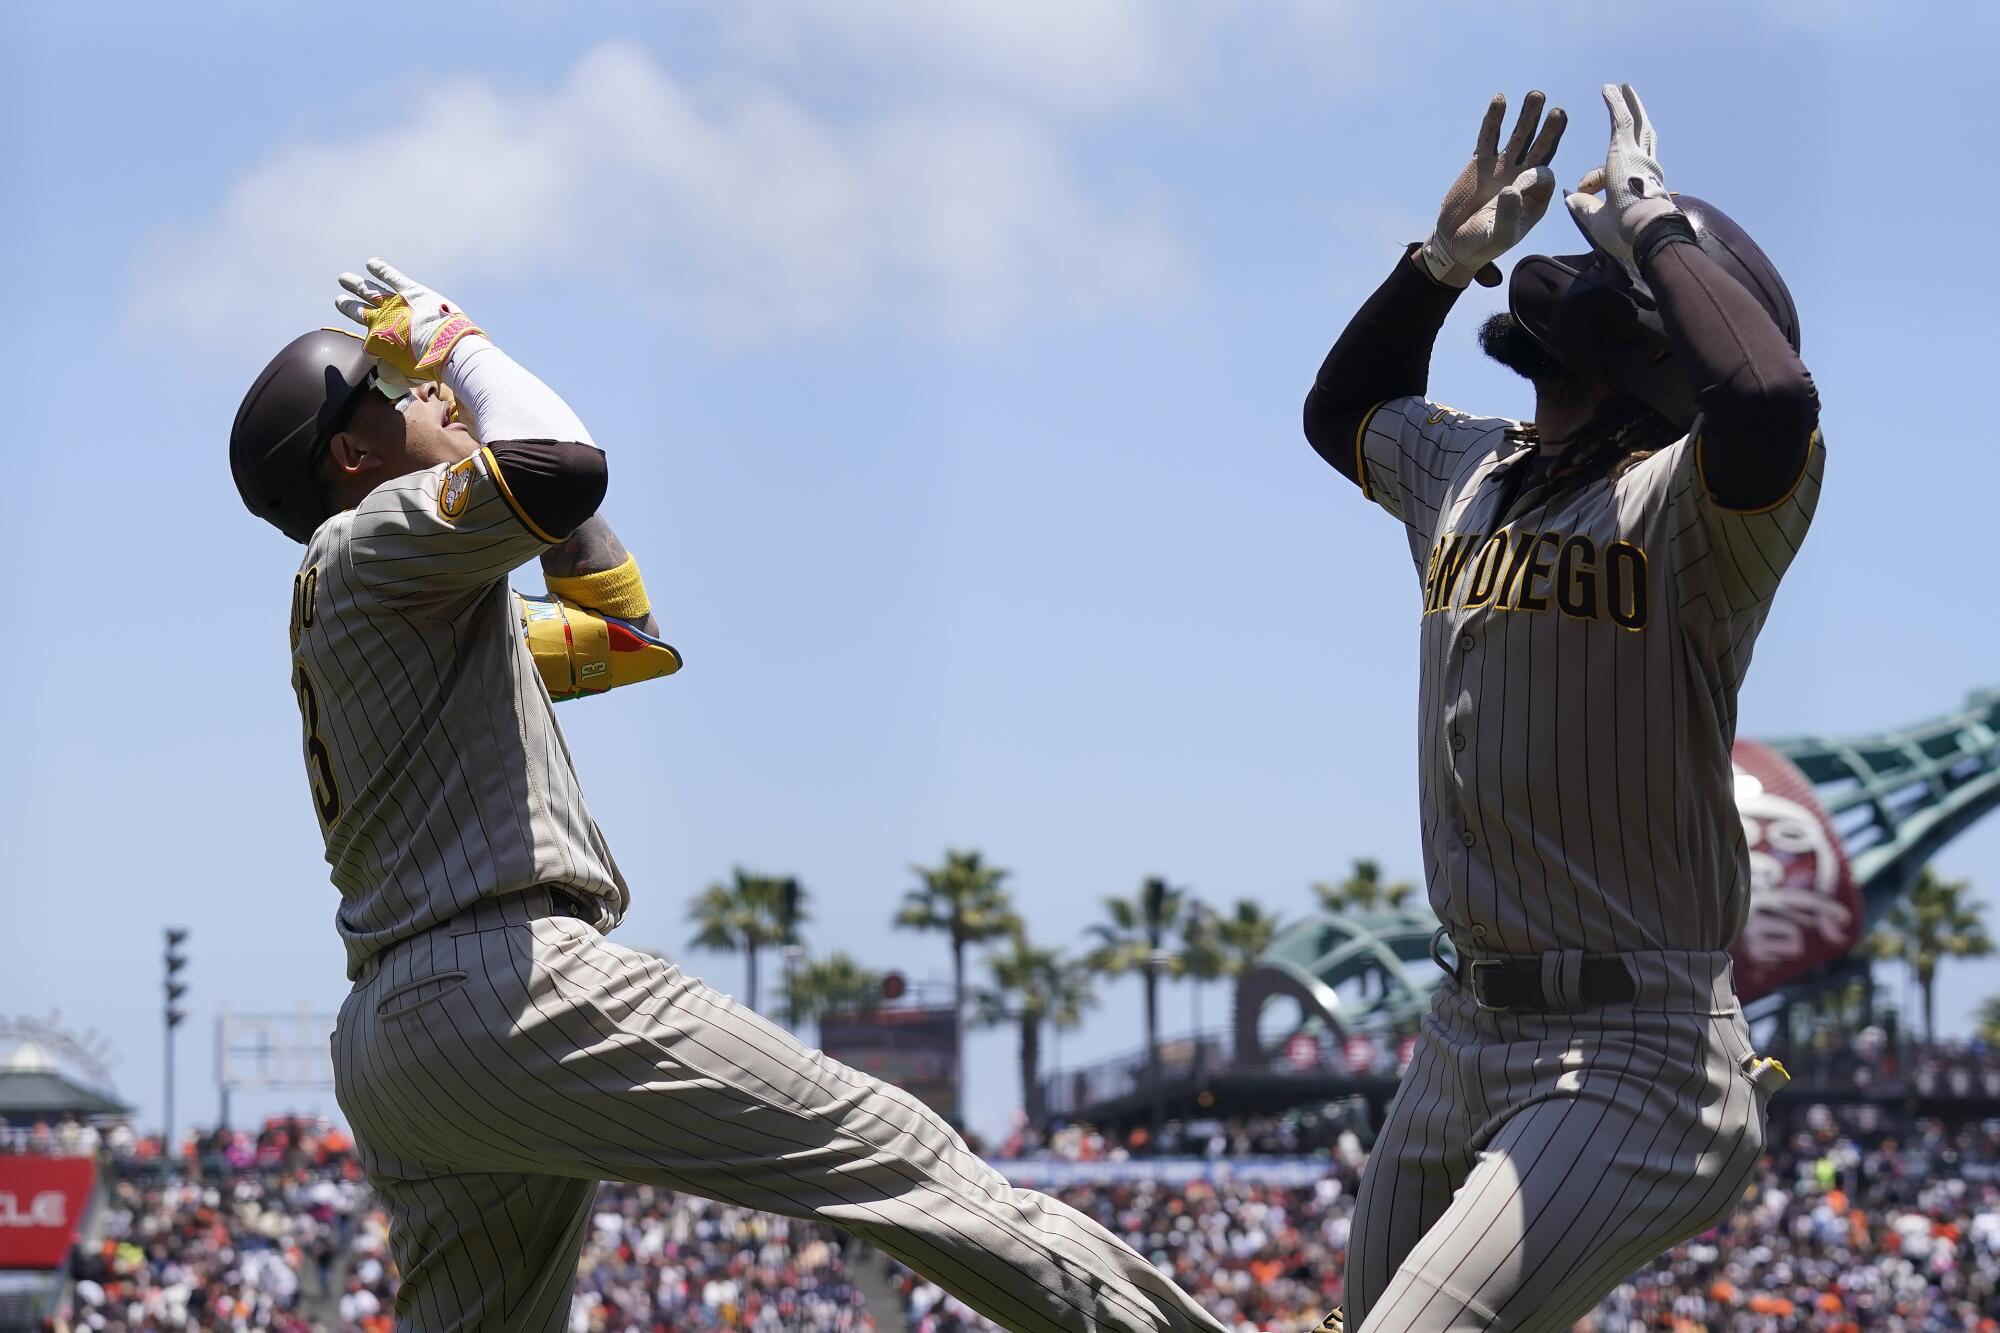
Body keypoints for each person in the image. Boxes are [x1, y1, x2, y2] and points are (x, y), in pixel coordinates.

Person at [229, 261, 1236, 1333]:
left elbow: (623, 635)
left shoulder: (384, 593)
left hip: (400, 1036)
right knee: (895, 1157)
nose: (426, 391)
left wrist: (499, 478)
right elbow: (564, 464)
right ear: (351, 455)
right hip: (503, 981)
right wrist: (461, 343)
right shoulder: (372, 541)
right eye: (392, 392)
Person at [1298, 86, 1823, 1330]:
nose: (1574, 249)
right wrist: (1436, 266)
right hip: (1462, 1028)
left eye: (1605, 263)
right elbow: (1339, 416)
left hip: (1635, 1054)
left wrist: (1651, 225)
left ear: (1653, 336)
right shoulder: (1470, 470)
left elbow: (1758, 400)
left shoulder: (1693, 512)